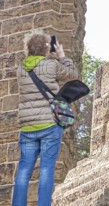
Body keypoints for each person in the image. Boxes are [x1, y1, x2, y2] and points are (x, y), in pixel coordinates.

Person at [12, 32, 78, 206]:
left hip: (27, 127)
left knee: (24, 170)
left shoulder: (21, 69)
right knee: (47, 169)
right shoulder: (51, 65)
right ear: (46, 49)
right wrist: (62, 56)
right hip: (49, 124)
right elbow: (73, 75)